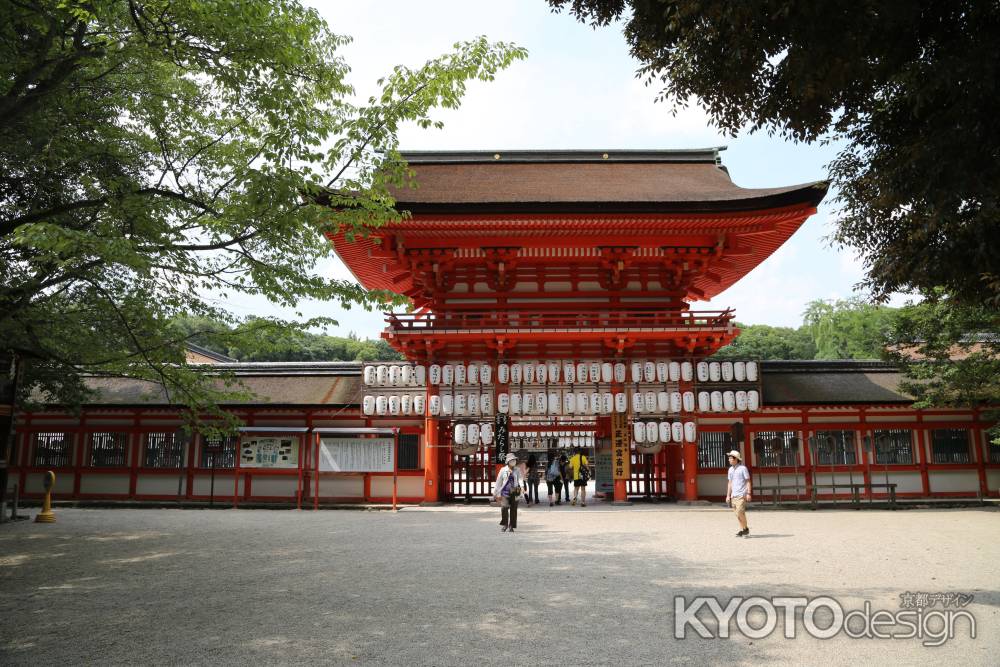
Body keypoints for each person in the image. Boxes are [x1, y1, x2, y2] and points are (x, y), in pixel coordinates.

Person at [493, 453, 523, 533]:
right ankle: (505, 524)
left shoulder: (517, 469)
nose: (513, 461)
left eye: (514, 460)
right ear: (508, 461)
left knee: (514, 509)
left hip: (515, 490)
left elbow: (520, 479)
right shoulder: (503, 470)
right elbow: (499, 481)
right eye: (512, 460)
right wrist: (496, 491)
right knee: (504, 507)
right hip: (505, 491)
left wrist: (522, 488)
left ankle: (511, 526)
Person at [725, 449, 752, 537]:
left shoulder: (743, 468)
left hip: (741, 494)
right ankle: (743, 529)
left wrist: (748, 493)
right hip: (733, 495)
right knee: (738, 514)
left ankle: (745, 529)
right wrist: (728, 495)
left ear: (736, 459)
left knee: (740, 512)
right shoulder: (730, 470)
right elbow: (730, 483)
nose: (729, 459)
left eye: (730, 458)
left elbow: (748, 481)